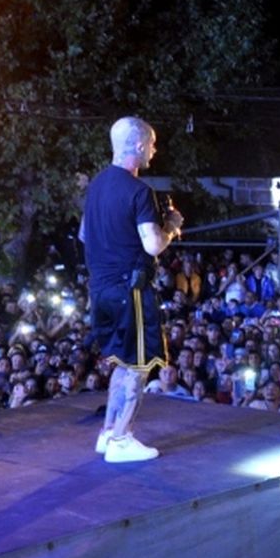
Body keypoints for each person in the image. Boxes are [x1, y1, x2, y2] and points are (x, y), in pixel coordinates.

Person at [81, 116, 183, 463]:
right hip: (131, 290)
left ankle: (108, 433)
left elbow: (84, 235)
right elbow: (153, 244)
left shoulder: (96, 186)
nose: (154, 150)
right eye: (152, 144)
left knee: (123, 363)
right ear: (139, 145)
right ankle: (122, 439)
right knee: (138, 366)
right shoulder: (140, 191)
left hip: (101, 289)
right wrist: (171, 225)